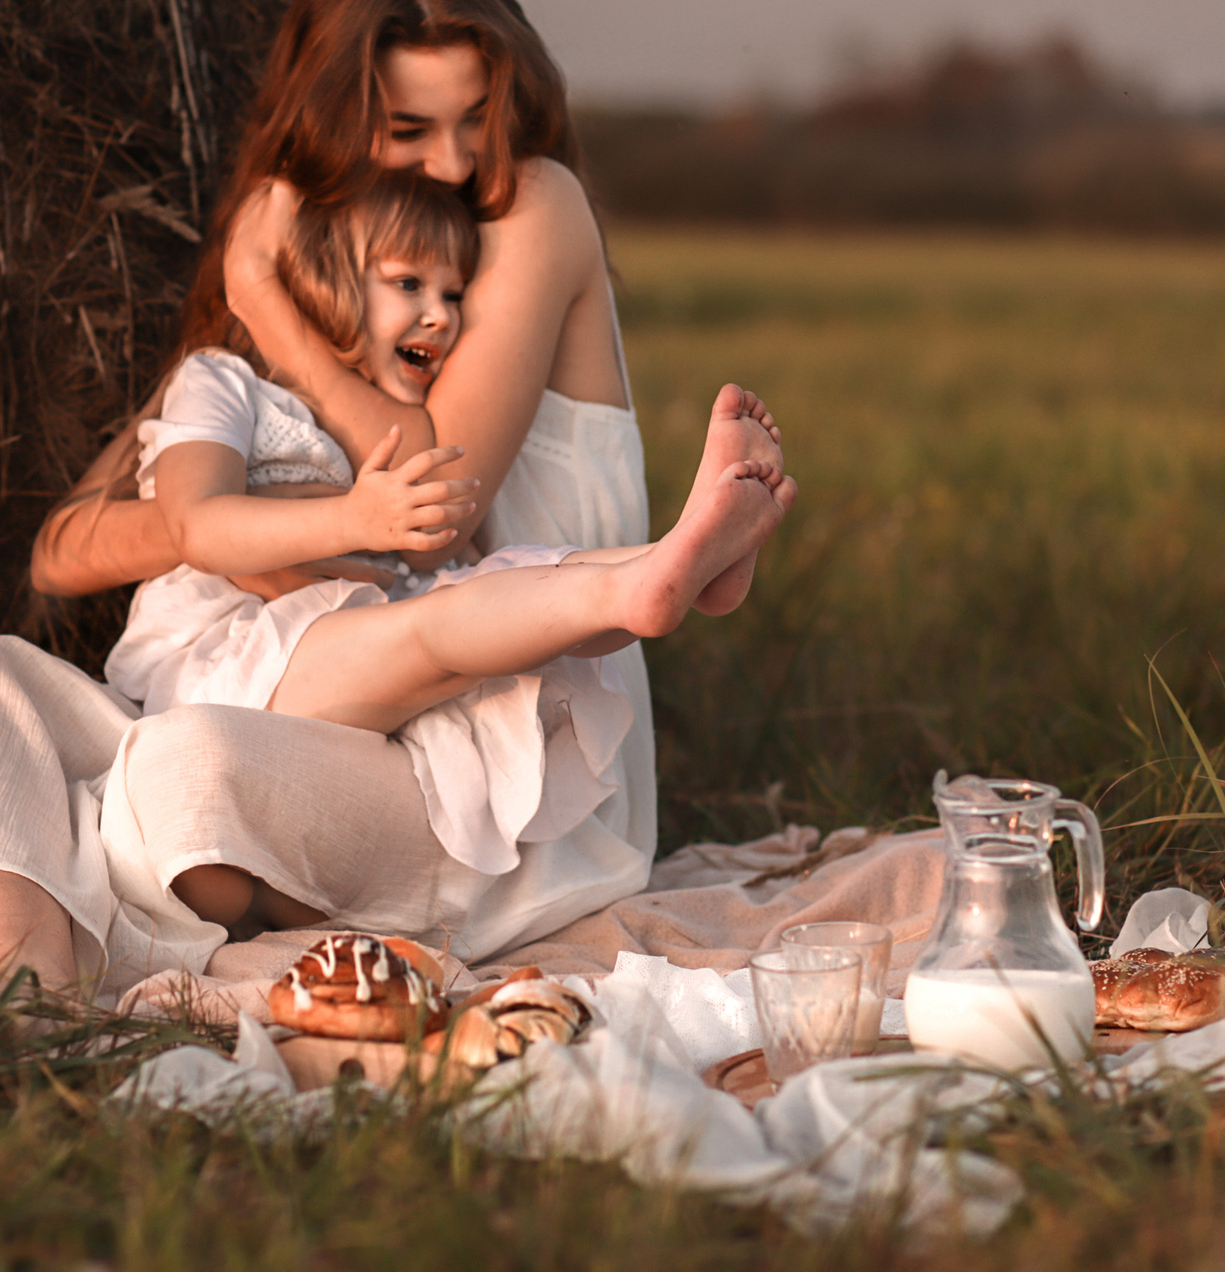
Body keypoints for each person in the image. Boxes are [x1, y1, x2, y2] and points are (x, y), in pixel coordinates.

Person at [0, 0, 785, 998]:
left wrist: (267, 331)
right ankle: (25, 996)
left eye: (477, 118)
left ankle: (655, 576)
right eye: (410, 128)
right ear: (330, 120)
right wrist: (222, 524)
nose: (456, 163)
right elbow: (73, 542)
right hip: (272, 706)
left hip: (510, 779)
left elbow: (432, 508)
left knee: (185, 768)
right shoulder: (313, 277)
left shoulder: (524, 210)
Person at [97, 171, 791, 935]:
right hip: (234, 653)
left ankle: (678, 563)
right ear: (323, 277)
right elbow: (201, 527)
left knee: (498, 593)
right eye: (407, 282)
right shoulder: (221, 381)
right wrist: (355, 515)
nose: (440, 312)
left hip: (352, 660)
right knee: (440, 628)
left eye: (454, 293)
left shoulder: (383, 418)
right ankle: (654, 580)